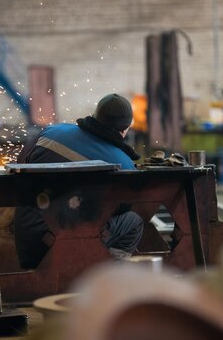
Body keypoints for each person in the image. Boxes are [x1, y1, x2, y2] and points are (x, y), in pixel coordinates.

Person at [14, 93, 144, 268]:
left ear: (95, 116)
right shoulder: (124, 164)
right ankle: (105, 279)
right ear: (125, 129)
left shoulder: (51, 132)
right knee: (133, 222)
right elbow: (122, 207)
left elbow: (19, 166)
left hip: (29, 243)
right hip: (73, 245)